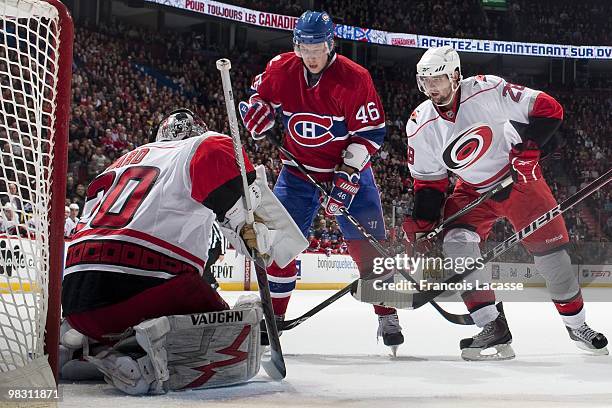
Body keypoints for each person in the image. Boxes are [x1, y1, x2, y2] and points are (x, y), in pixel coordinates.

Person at [60, 109, 307, 394]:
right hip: (141, 291)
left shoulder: (119, 162)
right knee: (235, 325)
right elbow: (215, 153)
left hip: (77, 300)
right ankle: (142, 361)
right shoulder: (198, 146)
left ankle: (83, 345)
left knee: (111, 308)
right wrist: (245, 223)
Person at [404, 46, 608, 360]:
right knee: (456, 242)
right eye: (426, 80)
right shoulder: (420, 124)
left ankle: (576, 324)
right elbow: (429, 184)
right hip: (471, 189)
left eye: (440, 79)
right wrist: (422, 223)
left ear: (456, 76)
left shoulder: (486, 89)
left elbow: (549, 109)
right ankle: (491, 325)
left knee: (552, 256)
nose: (433, 87)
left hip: (518, 177)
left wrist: (530, 148)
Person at [240, 10, 403, 352]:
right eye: (305, 48)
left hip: (348, 173)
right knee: (279, 245)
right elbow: (260, 96)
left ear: (331, 44)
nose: (311, 56)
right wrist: (261, 112)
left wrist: (347, 176)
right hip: (297, 173)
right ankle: (275, 320)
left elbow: (371, 133)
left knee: (370, 249)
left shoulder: (354, 78)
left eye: (318, 49)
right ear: (296, 45)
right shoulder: (281, 68)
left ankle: (387, 315)